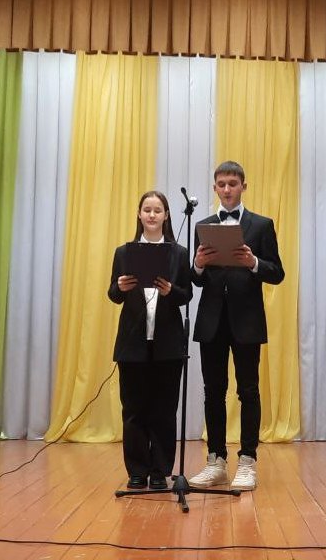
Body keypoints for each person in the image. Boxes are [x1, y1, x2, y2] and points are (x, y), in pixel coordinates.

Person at [188, 161, 284, 491]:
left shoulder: (261, 225)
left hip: (247, 320)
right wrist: (198, 265)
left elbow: (277, 272)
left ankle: (247, 461)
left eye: (232, 183)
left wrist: (253, 262)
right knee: (213, 392)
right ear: (215, 188)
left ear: (244, 186)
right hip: (211, 321)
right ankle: (215, 461)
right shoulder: (203, 225)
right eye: (221, 184)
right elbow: (196, 281)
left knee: (248, 391)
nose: (227, 189)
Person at [108, 191, 192, 490]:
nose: (152, 215)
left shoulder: (179, 253)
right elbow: (113, 294)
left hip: (168, 343)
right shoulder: (123, 252)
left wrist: (171, 291)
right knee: (133, 410)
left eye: (158, 210)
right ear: (139, 214)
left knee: (164, 411)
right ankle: (137, 470)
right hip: (132, 343)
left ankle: (159, 471)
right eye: (147, 209)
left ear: (166, 215)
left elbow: (186, 295)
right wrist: (119, 286)